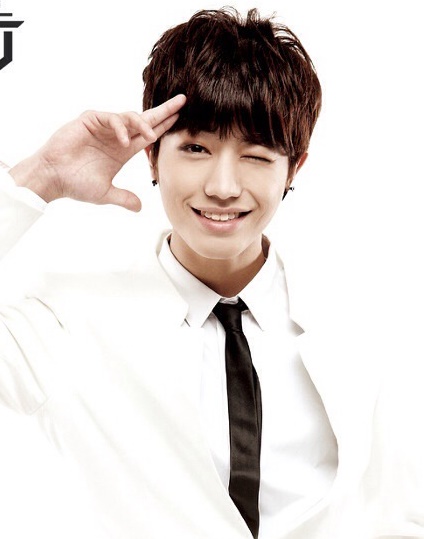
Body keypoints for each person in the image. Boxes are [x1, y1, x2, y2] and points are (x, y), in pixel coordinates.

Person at [0, 7, 422, 539]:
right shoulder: (67, 321)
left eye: (256, 155)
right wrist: (38, 177)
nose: (223, 187)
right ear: (151, 156)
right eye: (196, 148)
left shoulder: (364, 320)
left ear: (294, 168)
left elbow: (403, 509)